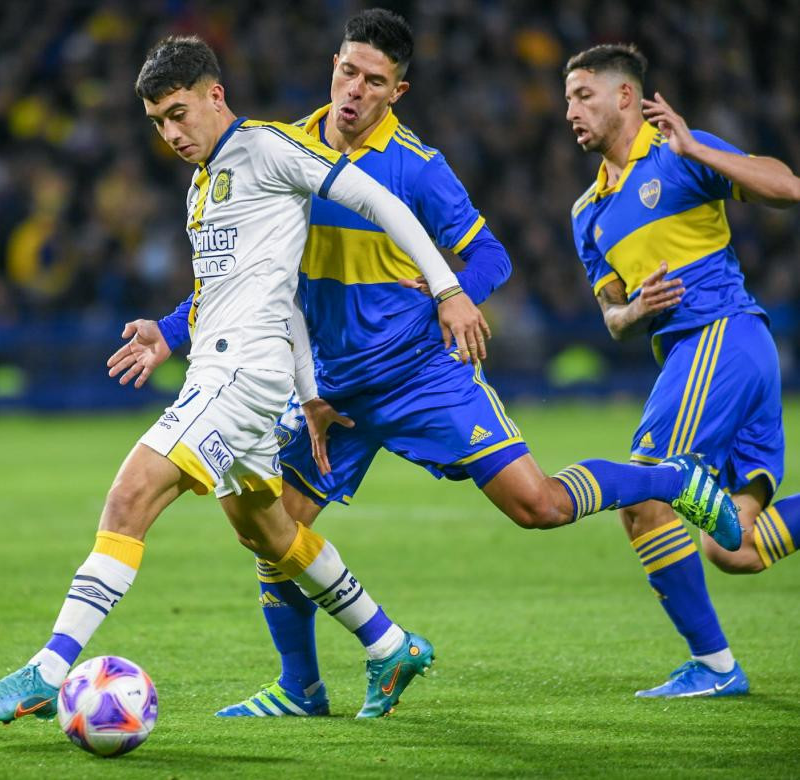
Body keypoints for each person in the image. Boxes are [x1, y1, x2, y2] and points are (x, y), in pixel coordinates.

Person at [106, 10, 741, 716]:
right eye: (347, 70)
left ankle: (664, 478)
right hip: (331, 392)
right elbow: (237, 275)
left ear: (396, 92)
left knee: (538, 506)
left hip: (420, 375)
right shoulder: (280, 150)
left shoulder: (417, 167)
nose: (354, 89)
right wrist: (169, 332)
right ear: (334, 65)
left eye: (374, 80)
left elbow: (491, 255)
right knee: (272, 527)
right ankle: (301, 688)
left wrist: (455, 296)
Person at [0, 34, 493, 723]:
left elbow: (379, 202)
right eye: (157, 122)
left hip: (239, 378)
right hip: (231, 373)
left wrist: (449, 287)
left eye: (179, 113)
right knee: (267, 533)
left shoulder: (269, 147)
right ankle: (389, 644)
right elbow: (276, 293)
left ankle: (48, 669)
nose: (171, 132)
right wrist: (294, 387)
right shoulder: (202, 187)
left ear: (215, 95)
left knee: (130, 496)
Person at [564, 43, 800, 697]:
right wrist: (635, 307)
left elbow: (786, 187)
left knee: (644, 497)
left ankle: (717, 668)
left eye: (583, 96)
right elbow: (612, 316)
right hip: (727, 355)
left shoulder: (678, 152)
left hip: (717, 338)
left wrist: (699, 151)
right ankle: (716, 519)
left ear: (626, 99)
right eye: (565, 101)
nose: (570, 112)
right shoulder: (588, 214)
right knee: (738, 549)